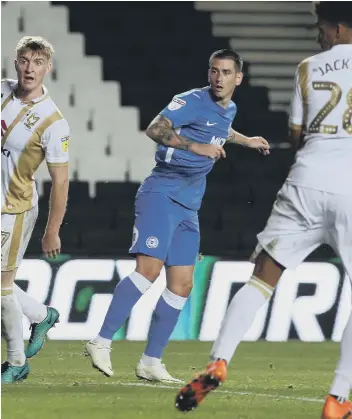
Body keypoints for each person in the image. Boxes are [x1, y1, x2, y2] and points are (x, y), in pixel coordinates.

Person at [175, 3, 352, 418]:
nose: (318, 35)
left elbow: (296, 133)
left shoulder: (308, 67)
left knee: (261, 279)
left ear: (341, 27)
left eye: (322, 27)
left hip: (306, 181)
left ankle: (218, 360)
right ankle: (339, 398)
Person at [86, 49, 270, 382]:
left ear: (238, 78)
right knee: (148, 270)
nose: (218, 78)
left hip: (190, 204)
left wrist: (247, 140)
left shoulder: (230, 108)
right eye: (214, 71)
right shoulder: (190, 100)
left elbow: (220, 129)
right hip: (161, 193)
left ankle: (151, 361)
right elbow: (155, 129)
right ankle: (100, 340)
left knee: (182, 285)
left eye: (226, 72)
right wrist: (194, 147)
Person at [1, 36, 70, 383]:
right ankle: (42, 315)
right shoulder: (1, 91)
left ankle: (15, 363)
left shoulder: (53, 122)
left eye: (38, 62)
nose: (30, 68)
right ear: (16, 63)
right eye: (25, 60)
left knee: (1, 288)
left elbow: (60, 181)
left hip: (11, 210)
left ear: (48, 68)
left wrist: (52, 229)